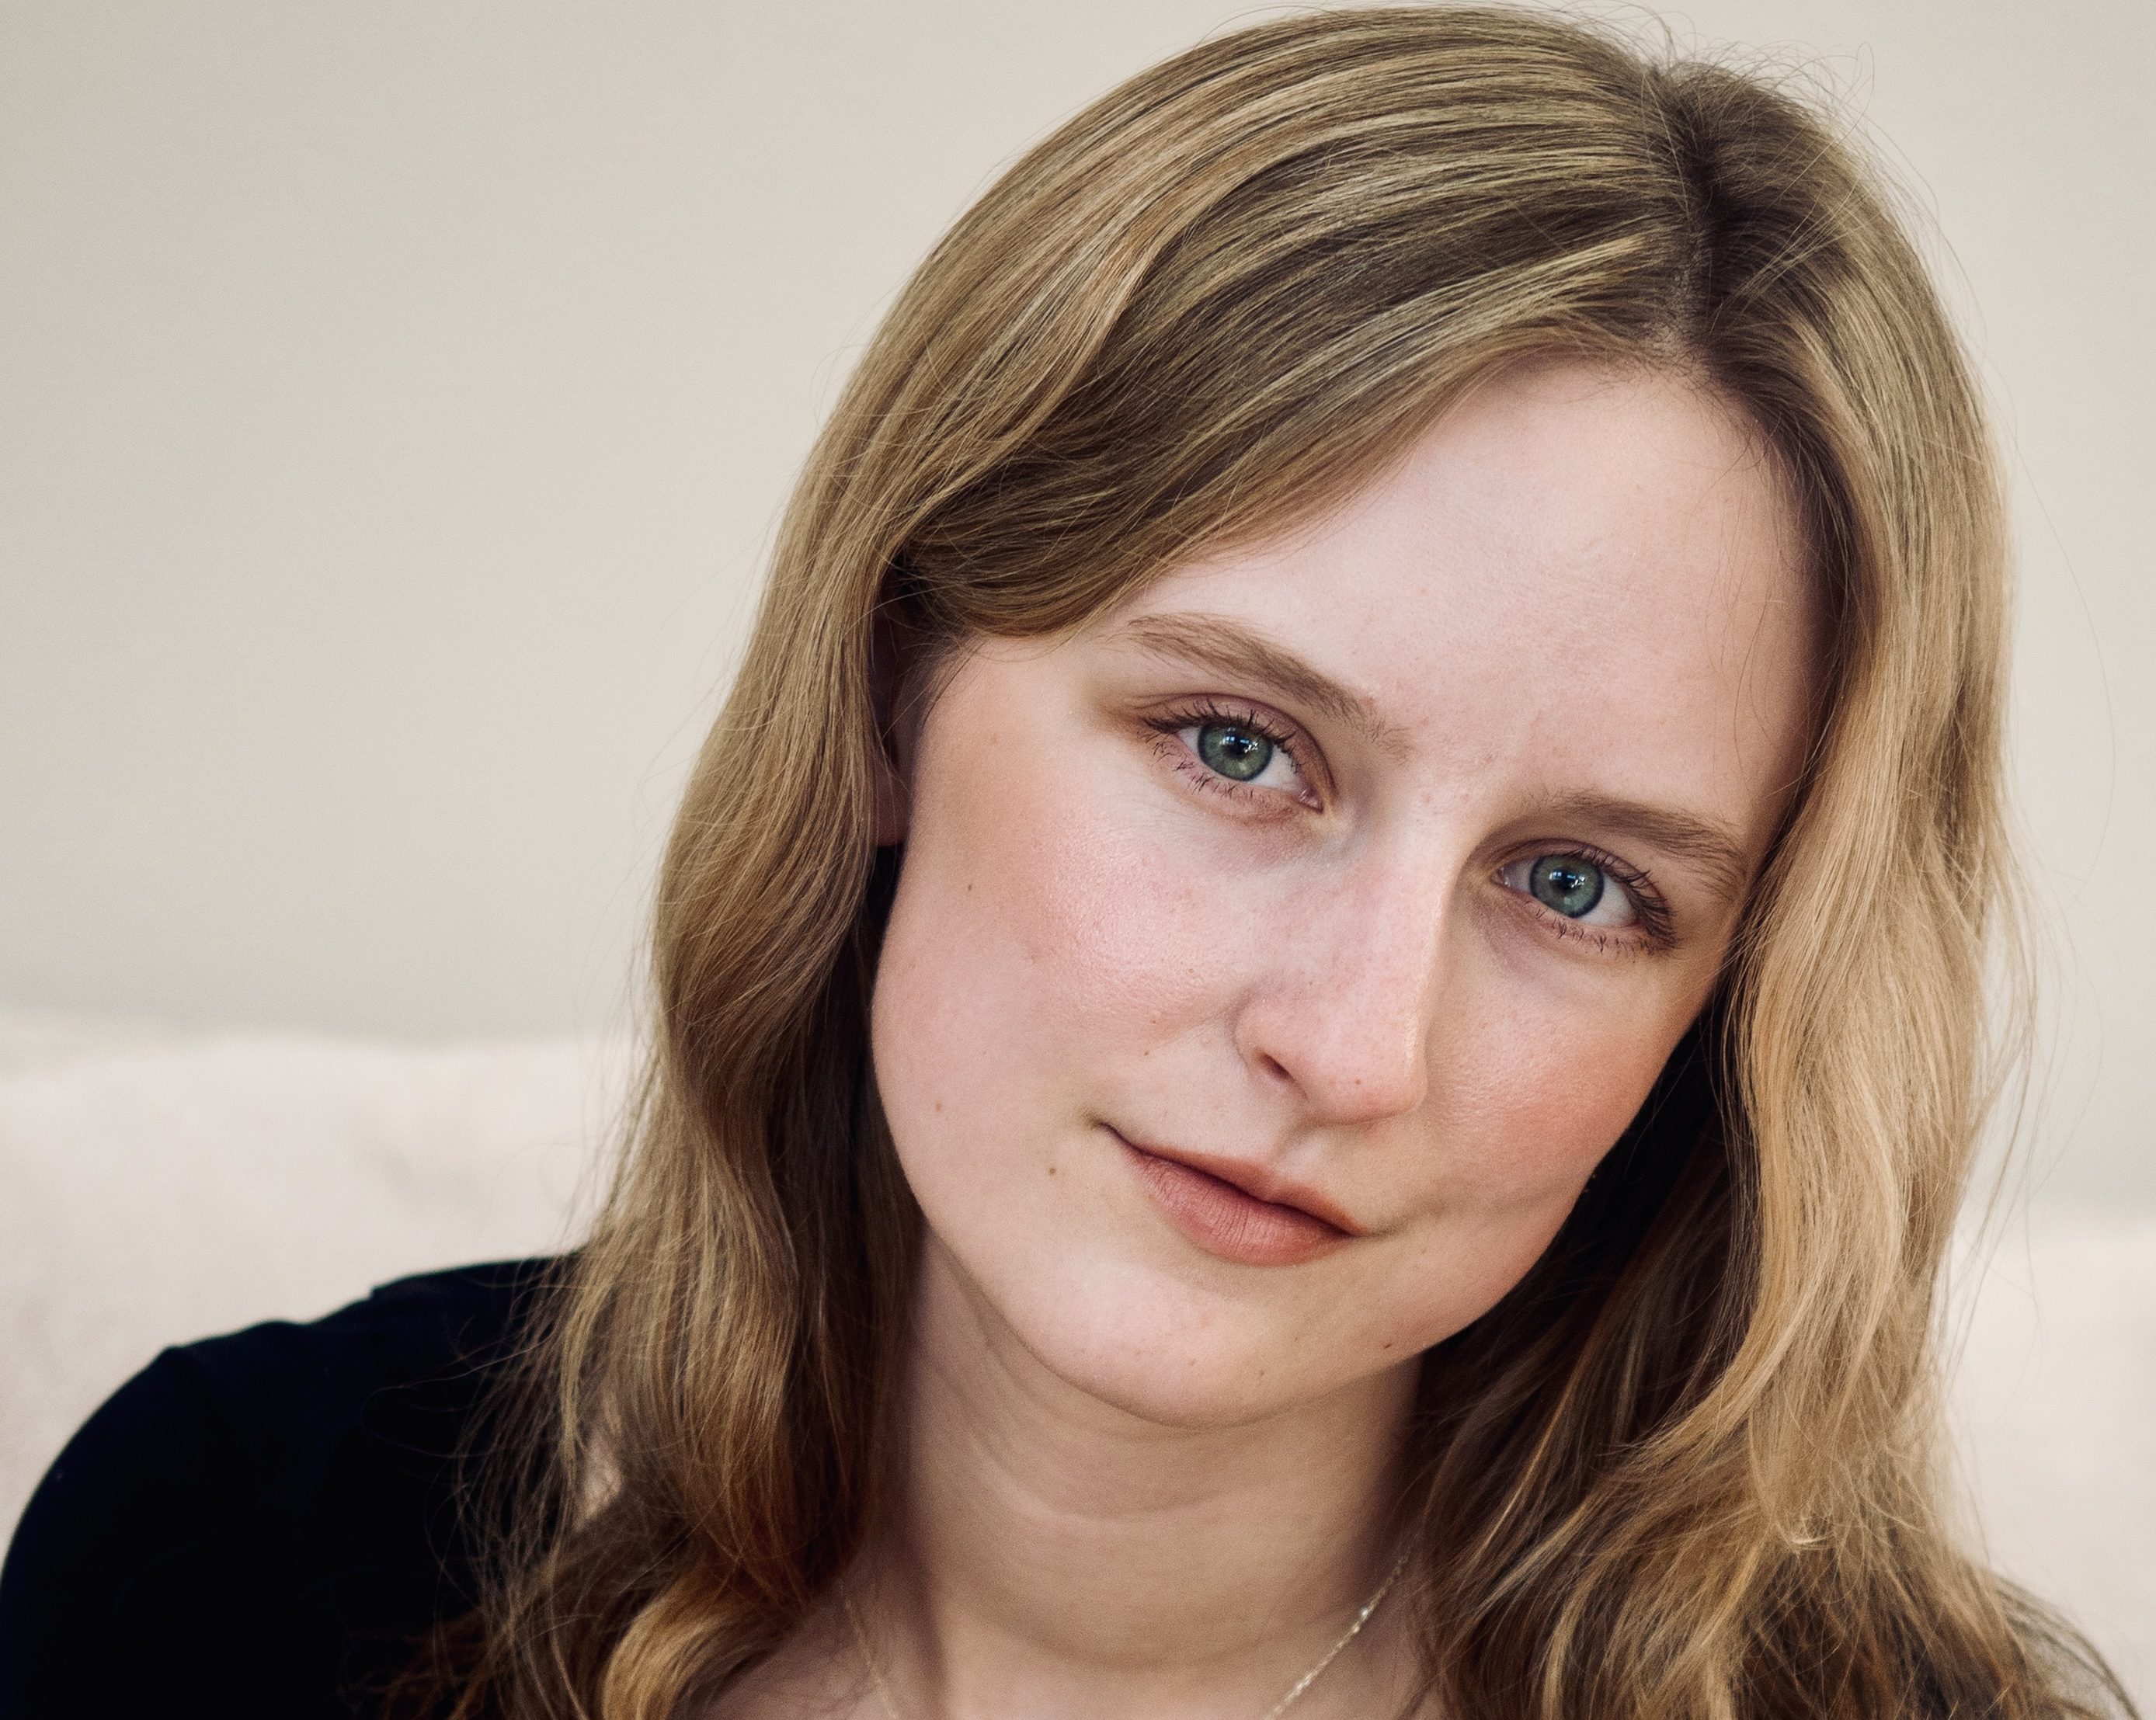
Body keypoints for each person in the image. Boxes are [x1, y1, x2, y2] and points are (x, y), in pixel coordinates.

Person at [0, 7, 2134, 1718]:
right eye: (1240, 750)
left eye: (1580, 888)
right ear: (889, 690)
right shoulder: (241, 1561)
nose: (1357, 1045)